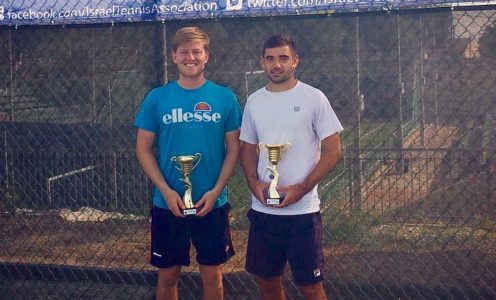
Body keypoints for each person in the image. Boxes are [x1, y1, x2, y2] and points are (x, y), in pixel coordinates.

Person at [134, 27, 241, 300]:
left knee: (213, 277)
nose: (190, 57)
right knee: (168, 278)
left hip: (211, 204)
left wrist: (217, 190)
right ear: (173, 56)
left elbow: (234, 149)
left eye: (196, 52)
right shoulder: (157, 98)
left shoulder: (225, 97)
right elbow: (143, 149)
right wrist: (166, 191)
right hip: (168, 205)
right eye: (184, 52)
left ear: (206, 56)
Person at [240, 33, 343, 299]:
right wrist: (253, 183)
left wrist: (302, 188)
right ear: (262, 61)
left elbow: (333, 150)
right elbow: (248, 147)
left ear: (295, 61)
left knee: (310, 286)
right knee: (267, 283)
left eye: (283, 58)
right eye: (270, 58)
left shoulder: (313, 97)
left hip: (302, 214)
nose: (277, 64)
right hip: (264, 213)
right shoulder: (254, 101)